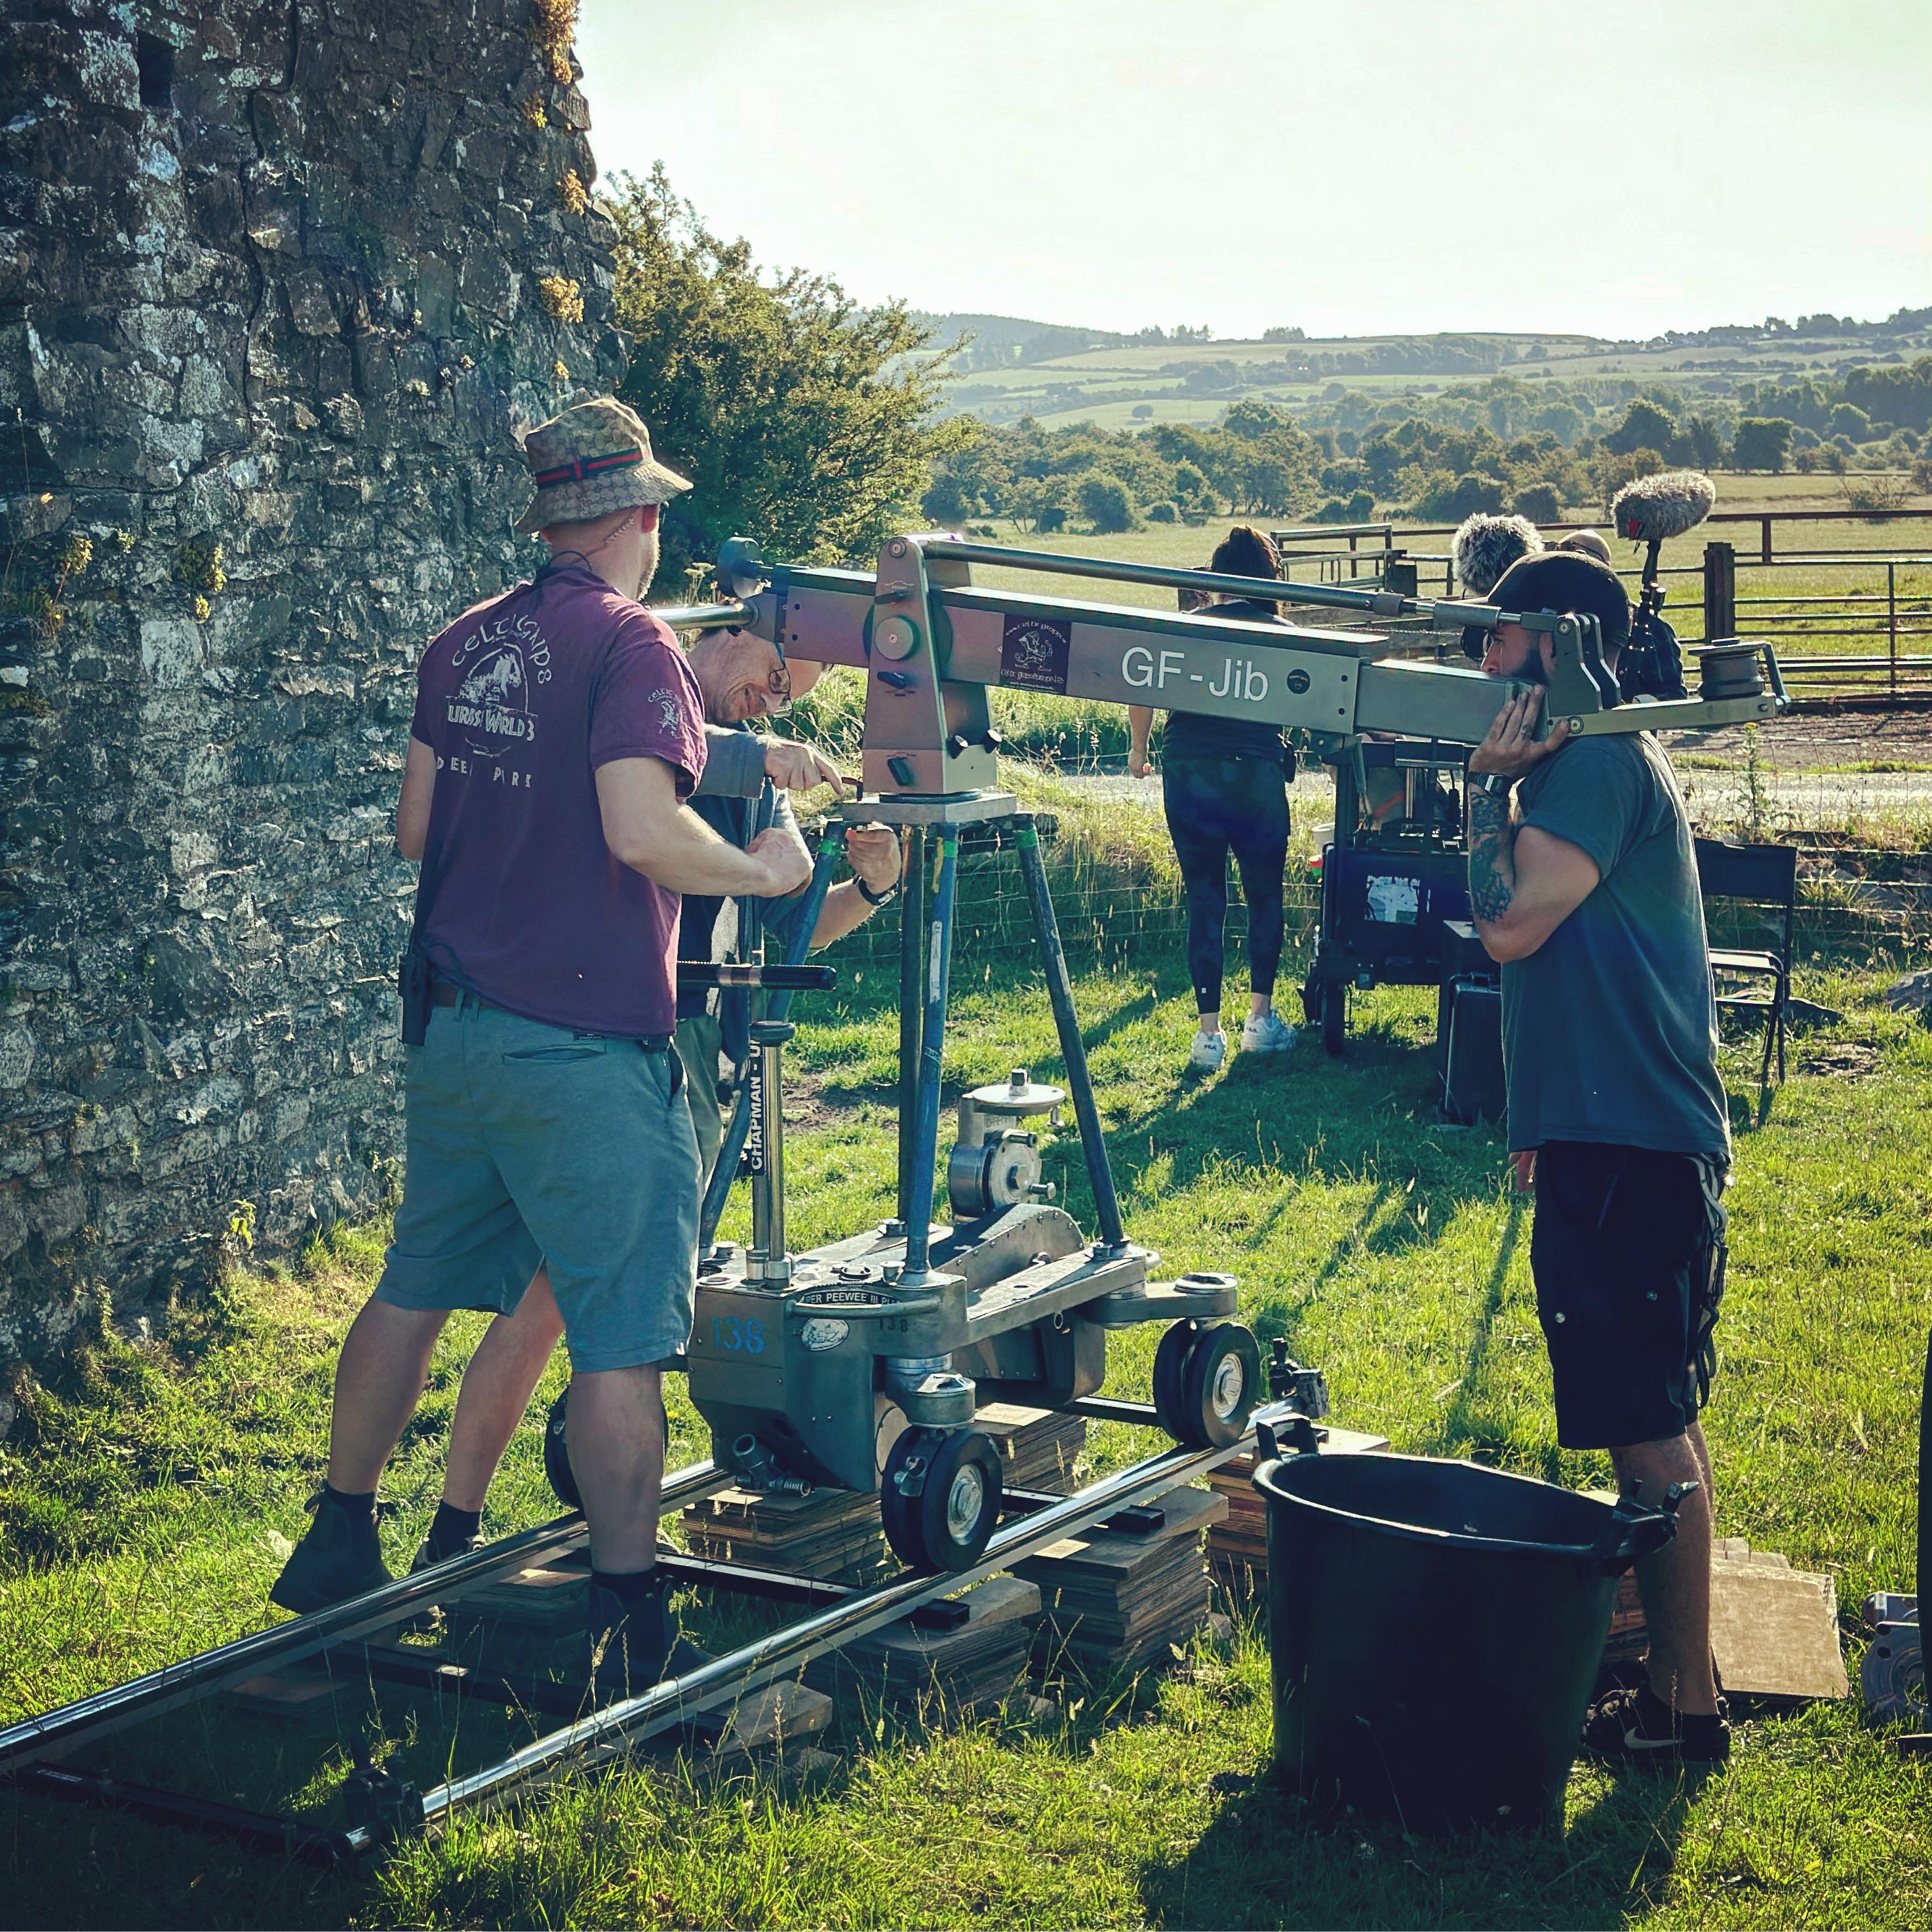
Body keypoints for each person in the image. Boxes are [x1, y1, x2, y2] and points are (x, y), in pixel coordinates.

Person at [269, 398, 815, 1701]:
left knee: (412, 1283)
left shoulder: (463, 642)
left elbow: (417, 825)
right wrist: (759, 866)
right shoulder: (632, 648)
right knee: (620, 1342)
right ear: (641, 517)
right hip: (583, 1049)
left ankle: (342, 1539)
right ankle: (633, 1621)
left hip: (454, 1036)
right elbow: (639, 829)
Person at [401, 632, 902, 1577]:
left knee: (560, 1303)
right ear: (725, 635)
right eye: (773, 675)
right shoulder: (637, 718)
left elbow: (782, 925)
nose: (774, 698)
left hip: (676, 1042)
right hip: (626, 1042)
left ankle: (468, 1530)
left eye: (792, 693)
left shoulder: (749, 771)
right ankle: (538, 1542)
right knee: (575, 1308)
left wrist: (869, 884)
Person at [1463, 549, 1733, 1767]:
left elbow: (1513, 927)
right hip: (1605, 1133)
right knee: (1651, 1413)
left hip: (1631, 1141)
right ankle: (1685, 1681)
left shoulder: (1594, 764)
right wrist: (1536, 1124)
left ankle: (1683, 1709)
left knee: (1644, 1426)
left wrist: (1479, 798)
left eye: (1499, 639)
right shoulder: (1585, 761)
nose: (1481, 660)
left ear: (1561, 641)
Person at [1128, 527, 1297, 1072]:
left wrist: (1137, 750)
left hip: (1189, 767)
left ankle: (1207, 1035)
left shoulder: (1185, 626)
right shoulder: (1282, 631)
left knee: (1204, 899)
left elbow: (1142, 682)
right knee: (1264, 894)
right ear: (1268, 577)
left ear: (1217, 575)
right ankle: (1259, 1020)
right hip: (1256, 770)